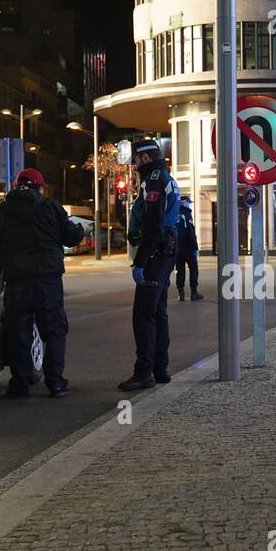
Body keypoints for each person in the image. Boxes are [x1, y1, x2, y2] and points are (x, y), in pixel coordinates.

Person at [0, 168, 85, 398]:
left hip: (16, 282)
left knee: (18, 332)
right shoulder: (49, 207)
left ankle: (19, 383)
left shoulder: (2, 211)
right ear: (40, 188)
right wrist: (80, 229)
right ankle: (56, 382)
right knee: (54, 331)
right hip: (47, 281)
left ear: (17, 186)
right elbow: (70, 236)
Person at [119, 139, 180, 391]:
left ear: (144, 158)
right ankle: (160, 368)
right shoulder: (165, 177)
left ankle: (144, 372)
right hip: (165, 253)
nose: (133, 164)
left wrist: (140, 262)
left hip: (156, 254)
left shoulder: (154, 180)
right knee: (158, 312)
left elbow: (154, 225)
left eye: (134, 159)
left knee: (143, 315)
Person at [175, 195, 202, 302]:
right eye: (189, 202)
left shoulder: (175, 214)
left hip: (177, 248)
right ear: (184, 203)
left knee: (180, 270)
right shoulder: (187, 215)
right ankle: (194, 293)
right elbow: (190, 232)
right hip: (188, 248)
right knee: (193, 269)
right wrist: (195, 247)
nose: (190, 204)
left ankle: (181, 294)